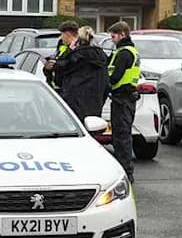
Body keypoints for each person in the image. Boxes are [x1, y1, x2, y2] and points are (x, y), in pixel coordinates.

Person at [106, 21, 141, 181]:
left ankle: (126, 172)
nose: (112, 39)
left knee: (121, 137)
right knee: (122, 135)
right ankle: (125, 170)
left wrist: (105, 85)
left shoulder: (124, 53)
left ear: (122, 35)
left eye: (113, 36)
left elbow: (115, 77)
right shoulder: (126, 51)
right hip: (125, 97)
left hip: (123, 98)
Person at [57, 26, 109, 119]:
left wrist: (68, 51)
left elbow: (60, 70)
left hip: (74, 104)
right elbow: (106, 82)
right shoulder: (102, 57)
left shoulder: (75, 56)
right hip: (95, 103)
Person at [44, 21, 79, 92]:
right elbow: (55, 62)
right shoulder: (61, 46)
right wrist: (47, 67)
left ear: (67, 34)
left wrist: (56, 65)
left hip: (67, 91)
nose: (61, 37)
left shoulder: (78, 50)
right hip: (55, 89)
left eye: (62, 34)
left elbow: (66, 66)